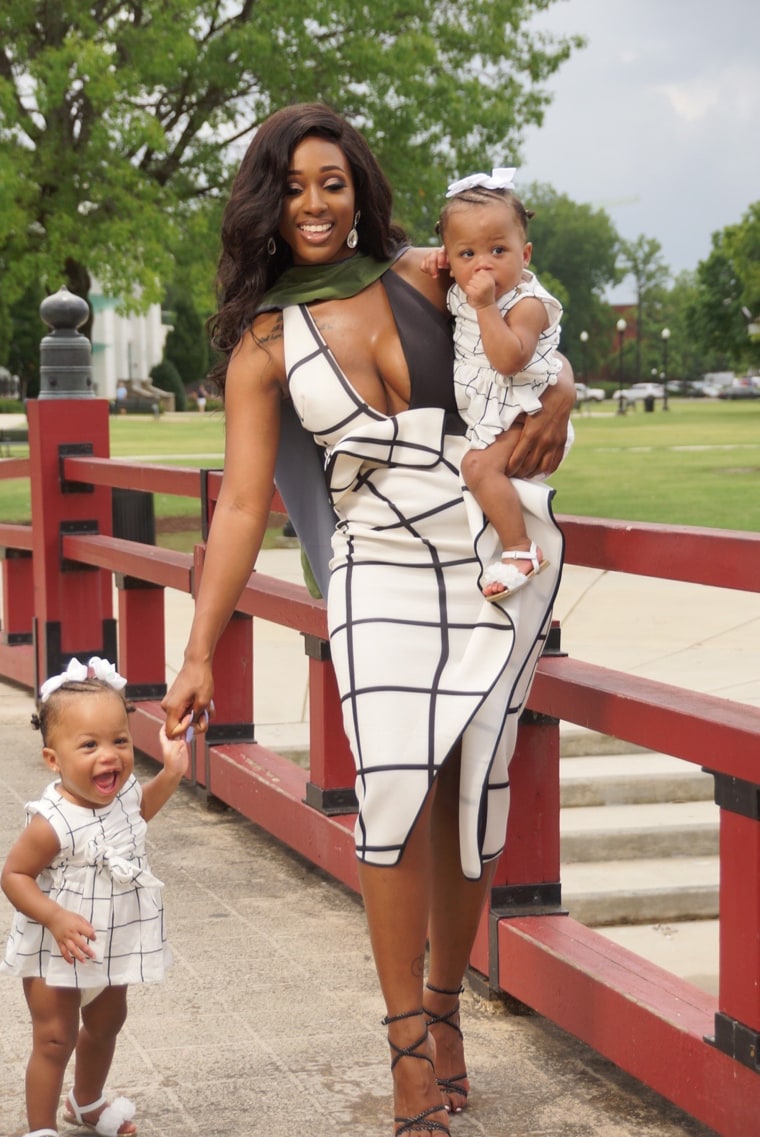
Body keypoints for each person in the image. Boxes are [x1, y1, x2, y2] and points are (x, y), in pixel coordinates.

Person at [161, 103, 574, 1137]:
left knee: (472, 797)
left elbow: (527, 326)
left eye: (331, 183)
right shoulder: (266, 339)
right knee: (392, 791)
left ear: (358, 192)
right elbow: (245, 507)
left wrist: (560, 396)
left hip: (495, 558)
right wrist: (199, 651)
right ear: (267, 198)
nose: (313, 203)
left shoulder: (425, 271)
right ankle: (402, 1046)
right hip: (377, 567)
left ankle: (446, 1012)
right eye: (293, 185)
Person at [1, 657, 191, 1137]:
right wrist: (55, 917)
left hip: (111, 938)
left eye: (120, 741)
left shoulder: (123, 793)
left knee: (107, 1022)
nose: (110, 756)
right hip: (57, 944)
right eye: (89, 745)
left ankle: (86, 1103)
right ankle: (40, 1127)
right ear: (54, 759)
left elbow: (139, 812)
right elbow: (15, 874)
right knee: (53, 1037)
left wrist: (171, 772)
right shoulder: (53, 821)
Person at [422, 168, 563, 602]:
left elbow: (508, 359)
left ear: (526, 254)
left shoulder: (527, 305)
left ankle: (521, 549)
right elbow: (457, 267)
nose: (483, 264)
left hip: (526, 413)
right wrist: (439, 262)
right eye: (467, 254)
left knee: (477, 468)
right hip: (490, 415)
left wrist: (484, 305)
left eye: (498, 250)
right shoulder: (467, 286)